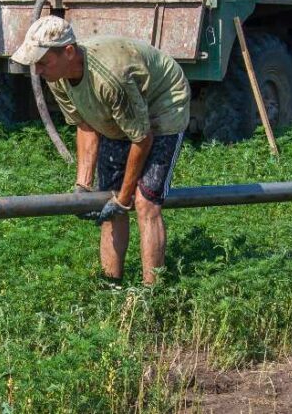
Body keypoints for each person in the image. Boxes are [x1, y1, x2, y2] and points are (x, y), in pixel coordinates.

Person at [11, 16, 190, 285]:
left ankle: (152, 293)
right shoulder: (56, 76)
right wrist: (83, 187)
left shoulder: (111, 79)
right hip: (124, 111)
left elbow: (141, 139)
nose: (36, 70)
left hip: (162, 104)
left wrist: (124, 199)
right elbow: (85, 125)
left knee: (144, 201)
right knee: (108, 197)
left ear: (68, 52)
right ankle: (111, 286)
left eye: (42, 62)